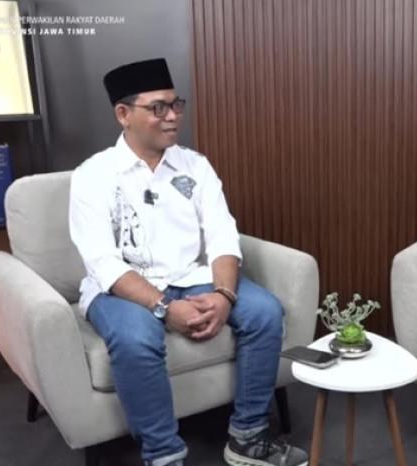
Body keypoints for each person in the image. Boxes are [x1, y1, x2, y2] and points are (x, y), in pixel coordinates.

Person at [68, 58, 309, 466]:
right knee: (135, 339)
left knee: (265, 312)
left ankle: (248, 438)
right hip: (121, 288)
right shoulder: (93, 175)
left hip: (190, 276)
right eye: (158, 107)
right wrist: (164, 307)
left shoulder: (195, 165)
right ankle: (163, 456)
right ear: (123, 114)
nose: (173, 116)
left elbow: (222, 236)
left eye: (175, 104)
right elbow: (102, 262)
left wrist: (225, 295)